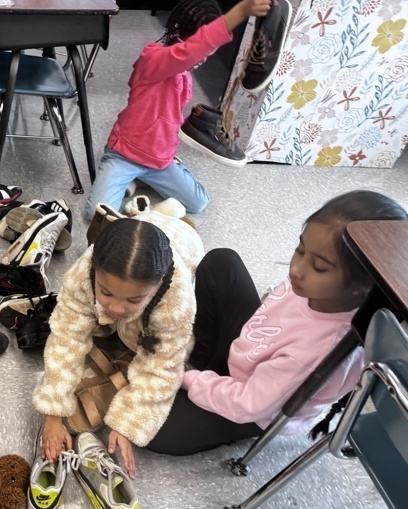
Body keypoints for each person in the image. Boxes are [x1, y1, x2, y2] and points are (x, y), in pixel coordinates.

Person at [145, 190, 408, 455]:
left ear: (362, 284)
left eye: (319, 267)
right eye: (300, 249)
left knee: (156, 429)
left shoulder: (314, 351)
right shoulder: (312, 287)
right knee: (222, 262)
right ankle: (199, 360)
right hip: (253, 358)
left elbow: (247, 404)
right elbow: (272, 317)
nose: (296, 269)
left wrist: (188, 379)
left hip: (257, 407)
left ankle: (199, 376)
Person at [33, 206, 205, 479]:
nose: (115, 307)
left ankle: (173, 215)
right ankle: (162, 211)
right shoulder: (84, 270)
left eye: (134, 299)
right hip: (141, 233)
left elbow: (163, 368)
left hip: (184, 241)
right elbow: (66, 336)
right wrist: (52, 412)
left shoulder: (177, 300)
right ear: (94, 268)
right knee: (76, 324)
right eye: (106, 292)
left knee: (143, 345)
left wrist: (127, 424)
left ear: (158, 285)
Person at [82, 0, 272, 219]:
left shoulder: (185, 77)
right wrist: (240, 12)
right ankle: (129, 177)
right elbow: (190, 52)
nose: (205, 57)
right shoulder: (151, 58)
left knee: (199, 202)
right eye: (203, 50)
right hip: (124, 155)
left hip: (160, 160)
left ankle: (139, 180)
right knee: (95, 213)